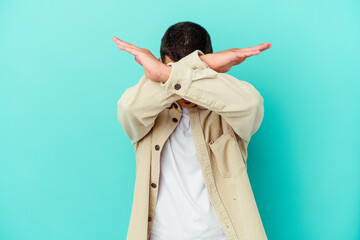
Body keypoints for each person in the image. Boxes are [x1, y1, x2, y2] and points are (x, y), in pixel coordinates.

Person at [113, 21, 271, 240]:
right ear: (160, 65)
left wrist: (170, 73)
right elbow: (127, 108)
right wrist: (196, 65)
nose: (183, 92)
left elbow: (252, 104)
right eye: (170, 69)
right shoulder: (149, 112)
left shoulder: (226, 112)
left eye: (196, 68)